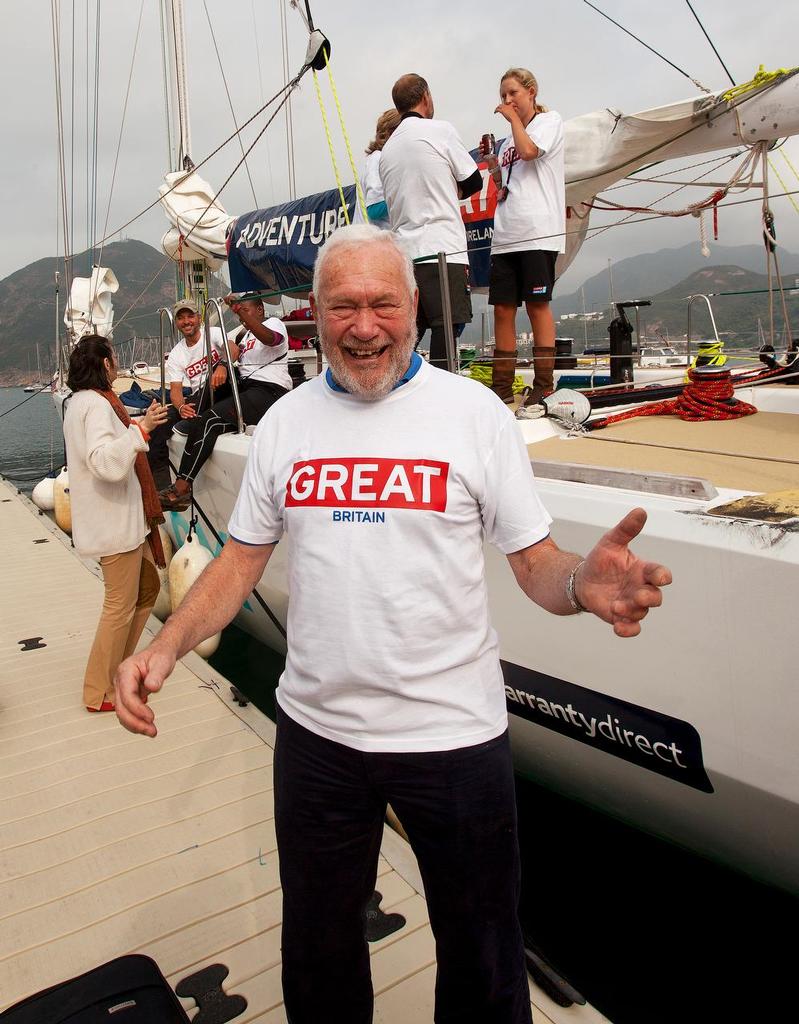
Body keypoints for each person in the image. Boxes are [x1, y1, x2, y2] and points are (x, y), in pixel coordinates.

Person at [114, 225, 671, 1024]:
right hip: (318, 738)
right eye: (343, 305)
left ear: (415, 308)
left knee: (482, 952)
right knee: (318, 948)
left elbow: (535, 563)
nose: (364, 325)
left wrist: (584, 583)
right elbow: (238, 563)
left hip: (453, 737)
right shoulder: (285, 426)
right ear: (313, 313)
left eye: (382, 304)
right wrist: (166, 644)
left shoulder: (473, 415)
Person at [62, 333, 168, 712]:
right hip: (114, 526)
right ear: (105, 364)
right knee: (118, 606)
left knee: (147, 590)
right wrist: (142, 430)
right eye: (114, 357)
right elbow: (105, 462)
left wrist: (139, 424)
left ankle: (120, 670)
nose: (118, 363)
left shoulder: (82, 403)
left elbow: (107, 446)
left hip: (123, 524)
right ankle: (99, 691)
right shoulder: (94, 406)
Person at [379, 73, 483, 368]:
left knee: (410, 333)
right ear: (426, 96)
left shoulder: (387, 152)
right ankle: (443, 397)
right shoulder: (440, 131)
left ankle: (398, 388)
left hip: (406, 255)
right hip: (442, 247)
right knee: (446, 327)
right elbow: (474, 181)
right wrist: (451, 186)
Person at [159, 294, 292, 511]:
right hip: (246, 390)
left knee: (209, 420)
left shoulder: (272, 324)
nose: (242, 316)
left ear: (259, 309)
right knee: (204, 422)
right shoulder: (246, 334)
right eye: (240, 312)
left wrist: (238, 311)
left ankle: (181, 489)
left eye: (246, 310)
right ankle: (180, 484)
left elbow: (271, 339)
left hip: (269, 390)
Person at [484, 67, 565, 405]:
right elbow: (511, 181)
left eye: (513, 93)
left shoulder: (550, 122)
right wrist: (495, 171)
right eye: (503, 95)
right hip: (506, 234)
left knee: (536, 305)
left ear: (531, 91)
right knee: (503, 309)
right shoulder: (506, 143)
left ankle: (544, 384)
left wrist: (514, 120)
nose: (507, 101)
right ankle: (502, 387)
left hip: (537, 232)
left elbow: (531, 151)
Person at [146, 298, 229, 491]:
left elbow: (233, 349)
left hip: (223, 389)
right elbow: (175, 390)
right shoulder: (177, 354)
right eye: (181, 318)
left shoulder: (213, 333)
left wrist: (223, 366)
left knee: (212, 376)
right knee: (158, 425)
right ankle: (162, 488)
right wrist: (181, 407)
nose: (186, 321)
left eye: (190, 316)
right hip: (198, 398)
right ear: (176, 323)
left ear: (199, 318)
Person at [352, 108, 401, 229]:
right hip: (371, 242)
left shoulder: (381, 159)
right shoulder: (377, 160)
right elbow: (374, 210)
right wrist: (406, 193)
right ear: (391, 133)